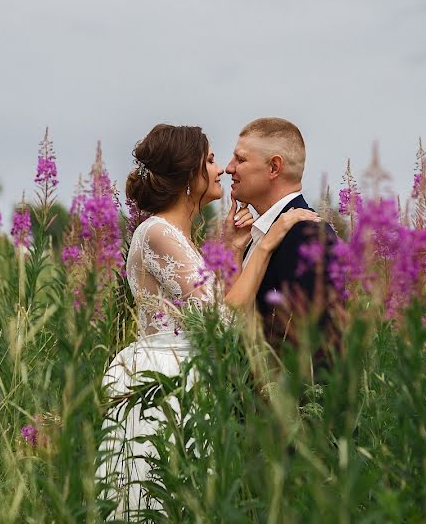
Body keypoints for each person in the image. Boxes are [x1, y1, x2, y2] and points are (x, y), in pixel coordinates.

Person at [97, 123, 320, 519]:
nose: (222, 170)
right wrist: (265, 244)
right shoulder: (158, 233)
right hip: (164, 382)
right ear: (189, 175)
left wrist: (234, 250)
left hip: (186, 375)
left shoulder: (179, 236)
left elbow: (211, 308)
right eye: (213, 161)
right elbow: (220, 316)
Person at [223, 117, 339, 369]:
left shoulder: (308, 236)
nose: (229, 168)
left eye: (240, 159)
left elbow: (317, 347)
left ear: (274, 168)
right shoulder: (253, 237)